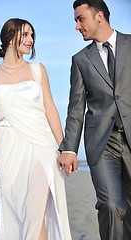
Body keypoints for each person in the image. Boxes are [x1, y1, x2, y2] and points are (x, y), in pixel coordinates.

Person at [0, 18, 72, 240]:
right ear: (9, 38)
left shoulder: (38, 70)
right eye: (25, 35)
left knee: (33, 214)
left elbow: (51, 110)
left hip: (41, 146)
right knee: (22, 215)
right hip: (9, 150)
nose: (30, 40)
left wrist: (66, 148)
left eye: (32, 35)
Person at [58, 0, 131, 239]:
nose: (77, 26)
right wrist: (69, 148)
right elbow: (76, 108)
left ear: (99, 16)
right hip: (102, 144)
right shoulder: (80, 60)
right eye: (76, 21)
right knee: (111, 205)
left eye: (81, 19)